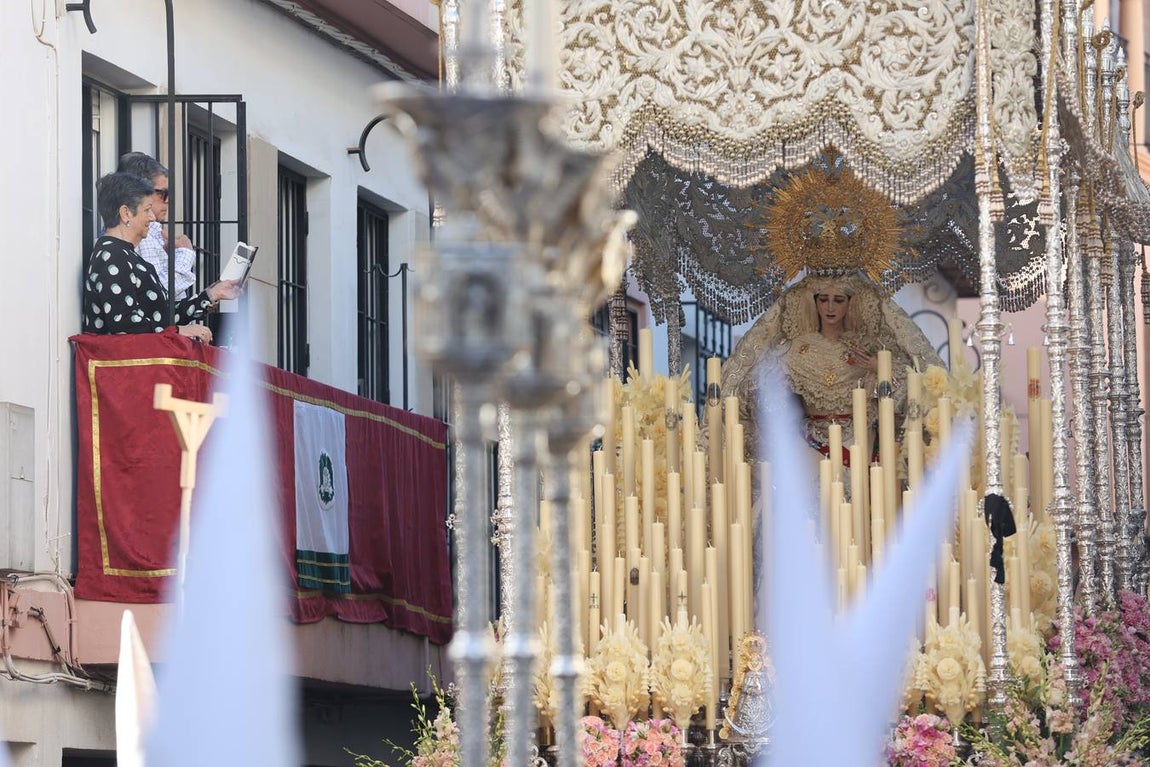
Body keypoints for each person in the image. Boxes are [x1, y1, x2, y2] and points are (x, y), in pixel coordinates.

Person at [721, 271, 942, 464]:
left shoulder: (865, 346)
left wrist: (879, 368)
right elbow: (756, 388)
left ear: (849, 303)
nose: (830, 307)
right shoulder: (795, 348)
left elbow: (909, 385)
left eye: (838, 300)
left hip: (859, 441)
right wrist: (774, 385)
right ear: (815, 303)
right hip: (809, 445)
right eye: (824, 299)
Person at [82, 172, 240, 343]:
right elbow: (124, 323)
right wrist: (178, 331)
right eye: (147, 210)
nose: (152, 217)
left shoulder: (125, 254)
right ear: (126, 213)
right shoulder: (112, 255)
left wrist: (211, 294)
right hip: (123, 367)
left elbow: (161, 316)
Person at [116, 152, 197, 298]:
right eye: (162, 193)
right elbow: (157, 294)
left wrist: (209, 296)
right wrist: (185, 253)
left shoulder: (151, 230)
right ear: (139, 192)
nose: (168, 200)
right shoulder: (138, 232)